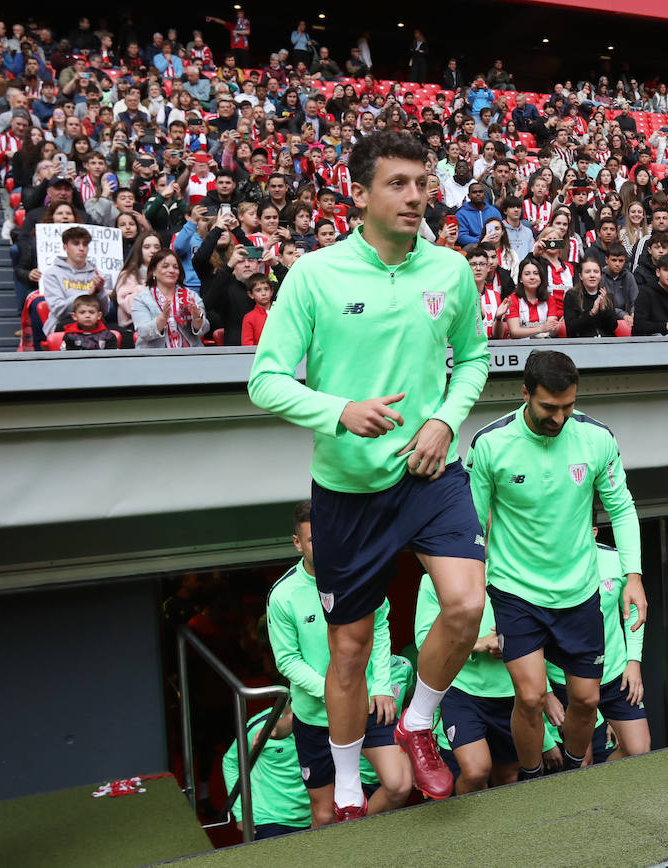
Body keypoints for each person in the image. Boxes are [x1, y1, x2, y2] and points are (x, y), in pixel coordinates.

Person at [248, 131, 490, 820]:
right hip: (349, 491)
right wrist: (338, 411)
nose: (415, 195)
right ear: (360, 193)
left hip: (429, 469)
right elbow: (264, 381)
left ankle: (417, 722)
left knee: (467, 604)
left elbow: (473, 358)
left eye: (423, 182)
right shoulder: (316, 276)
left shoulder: (450, 272)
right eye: (398, 183)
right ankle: (350, 788)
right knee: (349, 649)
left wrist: (445, 420)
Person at [466, 350, 645, 779]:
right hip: (516, 591)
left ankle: (569, 765)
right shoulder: (490, 444)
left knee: (586, 700)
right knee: (529, 698)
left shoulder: (596, 438)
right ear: (525, 393)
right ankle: (531, 779)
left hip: (579, 590)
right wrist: (474, 600)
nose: (560, 417)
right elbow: (471, 528)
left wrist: (633, 576)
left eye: (568, 406)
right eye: (549, 407)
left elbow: (621, 509)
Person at [267, 502, 413, 826]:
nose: (321, 545)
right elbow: (287, 660)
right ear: (297, 543)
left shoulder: (361, 576)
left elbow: (379, 629)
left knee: (399, 784)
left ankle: (356, 839)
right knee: (322, 813)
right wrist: (335, 693)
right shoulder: (283, 595)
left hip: (370, 704)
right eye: (310, 540)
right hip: (315, 716)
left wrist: (381, 686)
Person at [547, 519, 648, 763]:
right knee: (582, 760)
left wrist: (633, 661)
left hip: (614, 674)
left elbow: (633, 608)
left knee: (639, 751)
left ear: (593, 532)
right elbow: (533, 633)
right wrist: (546, 691)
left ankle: (611, 799)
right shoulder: (546, 569)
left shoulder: (615, 560)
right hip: (566, 679)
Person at [414, 572, 523, 794]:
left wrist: (516, 639)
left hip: (509, 688)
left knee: (509, 775)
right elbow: (424, 640)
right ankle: (469, 829)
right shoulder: (434, 578)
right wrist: (478, 643)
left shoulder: (511, 566)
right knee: (475, 773)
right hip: (461, 688)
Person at [221, 699, 310, 839]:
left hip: (314, 815)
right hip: (268, 819)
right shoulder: (262, 724)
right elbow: (231, 762)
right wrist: (241, 813)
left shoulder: (323, 719)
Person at [131, 248, 209, 347]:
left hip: (190, 357)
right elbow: (143, 332)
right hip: (154, 359)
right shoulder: (142, 299)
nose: (171, 270)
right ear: (153, 271)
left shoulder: (191, 296)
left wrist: (198, 317)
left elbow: (205, 329)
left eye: (176, 267)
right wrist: (163, 318)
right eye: (165, 266)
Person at [41, 226, 107, 335]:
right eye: (76, 244)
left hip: (94, 322)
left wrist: (100, 291)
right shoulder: (52, 273)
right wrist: (87, 294)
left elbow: (105, 311)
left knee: (124, 335)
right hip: (63, 322)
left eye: (85, 244)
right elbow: (58, 310)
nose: (81, 248)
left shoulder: (97, 274)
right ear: (65, 247)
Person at [59, 294, 125, 350]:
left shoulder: (108, 336)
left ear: (99, 316)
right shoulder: (70, 336)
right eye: (82, 312)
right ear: (74, 316)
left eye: (91, 312)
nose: (87, 316)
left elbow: (112, 358)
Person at [240, 273, 273, 346]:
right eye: (258, 290)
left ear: (271, 292)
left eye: (266, 289)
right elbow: (247, 345)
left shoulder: (280, 313)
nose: (263, 293)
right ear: (251, 294)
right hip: (259, 356)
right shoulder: (249, 318)